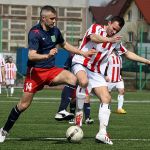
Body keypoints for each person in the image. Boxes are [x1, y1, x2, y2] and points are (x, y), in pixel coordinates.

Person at [0, 5, 96, 143]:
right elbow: (31, 55)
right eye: (51, 18)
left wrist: (83, 53)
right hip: (35, 74)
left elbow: (65, 45)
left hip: (50, 71)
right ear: (43, 18)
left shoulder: (55, 31)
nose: (54, 21)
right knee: (23, 105)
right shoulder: (35, 32)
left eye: (55, 18)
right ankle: (4, 130)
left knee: (73, 79)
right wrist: (47, 55)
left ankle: (63, 111)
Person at [71, 16, 150, 145]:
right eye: (113, 28)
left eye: (117, 31)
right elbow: (93, 38)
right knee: (83, 82)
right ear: (108, 23)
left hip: (96, 71)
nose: (114, 32)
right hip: (81, 63)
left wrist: (147, 61)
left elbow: (128, 54)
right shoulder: (96, 27)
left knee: (106, 98)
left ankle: (102, 133)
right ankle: (79, 112)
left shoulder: (115, 41)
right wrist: (109, 39)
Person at [55, 53, 94, 124]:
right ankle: (72, 117)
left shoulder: (90, 56)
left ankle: (87, 118)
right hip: (74, 80)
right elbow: (66, 67)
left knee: (86, 97)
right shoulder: (72, 56)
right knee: (73, 99)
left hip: (85, 80)